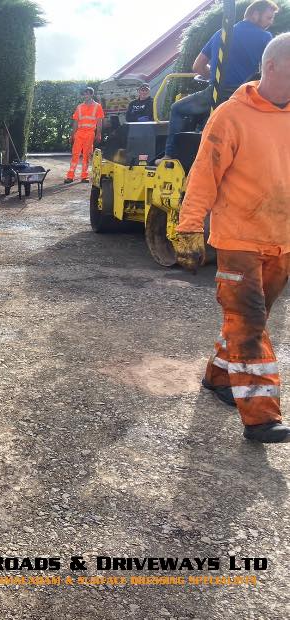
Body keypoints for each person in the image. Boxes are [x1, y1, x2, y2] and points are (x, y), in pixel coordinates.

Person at [174, 33, 290, 443]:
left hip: (281, 241)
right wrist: (188, 227)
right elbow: (204, 174)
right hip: (238, 241)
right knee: (250, 322)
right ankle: (261, 417)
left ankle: (218, 375)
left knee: (248, 322)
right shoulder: (231, 115)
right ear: (272, 67)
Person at [162, 0, 277, 159]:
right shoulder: (265, 37)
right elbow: (271, 69)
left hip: (217, 93)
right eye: (268, 18)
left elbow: (197, 66)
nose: (270, 23)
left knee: (177, 109)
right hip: (244, 97)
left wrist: (215, 77)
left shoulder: (220, 34)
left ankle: (170, 156)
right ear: (255, 14)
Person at [65, 87, 104, 184]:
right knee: (75, 154)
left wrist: (98, 134)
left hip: (90, 133)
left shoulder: (97, 106)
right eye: (84, 94)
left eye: (87, 94)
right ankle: (70, 176)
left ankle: (84, 176)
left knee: (87, 155)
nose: (85, 95)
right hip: (79, 133)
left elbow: (99, 121)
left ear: (91, 94)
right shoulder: (79, 107)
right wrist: (72, 135)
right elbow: (76, 122)